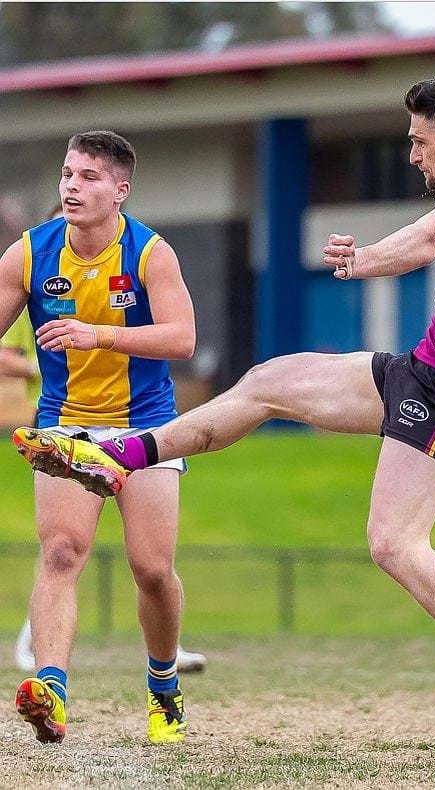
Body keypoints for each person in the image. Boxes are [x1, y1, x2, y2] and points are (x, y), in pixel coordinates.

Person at [14, 74, 435, 768]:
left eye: (419, 141)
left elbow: (427, 238)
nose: (413, 154)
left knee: (395, 544)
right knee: (267, 384)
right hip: (426, 371)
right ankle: (120, 458)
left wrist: (362, 259)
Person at [0, 133, 198, 744]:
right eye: (67, 174)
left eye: (88, 177)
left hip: (147, 425)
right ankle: (51, 690)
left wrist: (98, 334)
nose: (72, 186)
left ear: (120, 190)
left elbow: (182, 338)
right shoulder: (28, 254)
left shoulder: (150, 253)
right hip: (65, 424)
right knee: (61, 553)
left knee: (152, 571)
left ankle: (163, 686)